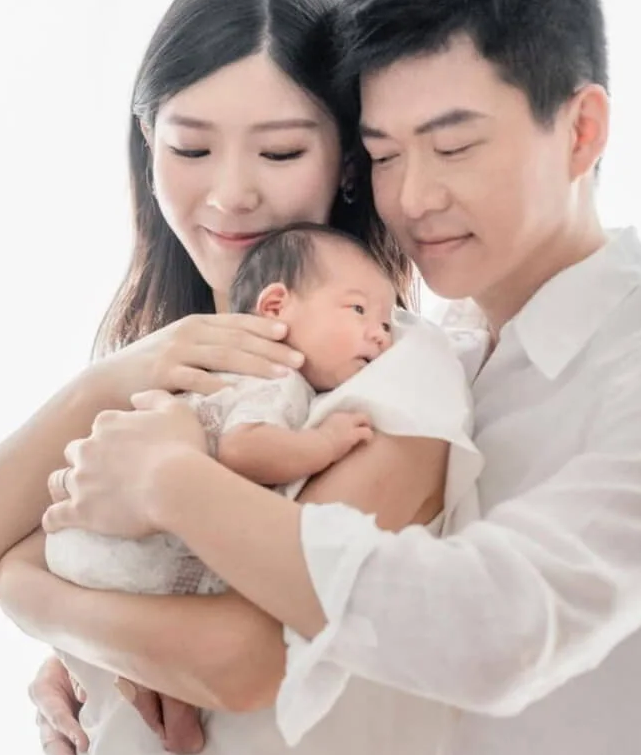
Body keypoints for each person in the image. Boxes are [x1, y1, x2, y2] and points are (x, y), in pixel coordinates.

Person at [43, 0, 641, 755]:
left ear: (581, 131)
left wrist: (168, 484)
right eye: (386, 154)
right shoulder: (423, 352)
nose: (411, 199)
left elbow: (490, 627)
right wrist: (88, 641)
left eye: (453, 147)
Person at [0, 0, 478, 755]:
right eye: (191, 149)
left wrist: (33, 596)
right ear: (147, 144)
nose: (231, 192)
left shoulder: (394, 370)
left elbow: (237, 661)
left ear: (349, 162)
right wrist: (100, 386)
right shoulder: (158, 378)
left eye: (281, 152)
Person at [45, 223, 401, 598]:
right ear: (275, 307)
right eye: (358, 309)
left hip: (90, 542)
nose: (381, 335)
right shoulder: (273, 377)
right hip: (118, 548)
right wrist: (325, 442)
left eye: (385, 324)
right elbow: (244, 448)